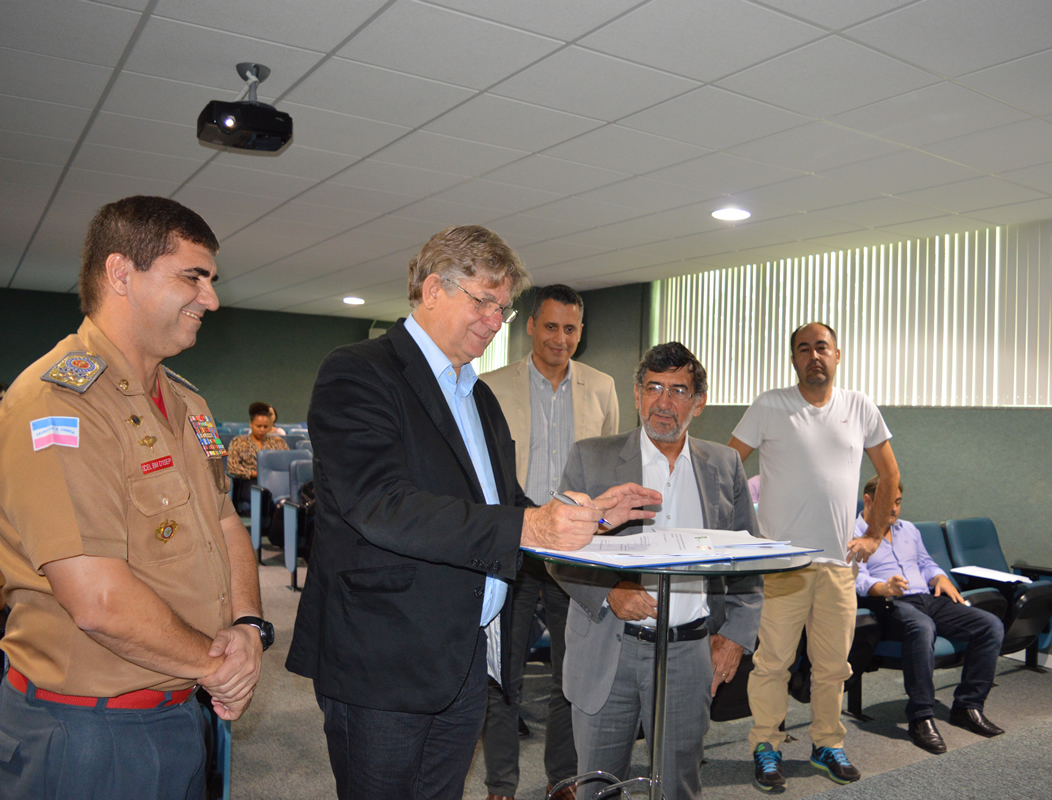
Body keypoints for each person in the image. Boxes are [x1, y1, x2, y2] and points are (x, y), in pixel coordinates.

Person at [284, 225, 660, 800]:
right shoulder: (359, 371)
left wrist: (590, 516)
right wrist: (529, 525)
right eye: (483, 302)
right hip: (386, 657)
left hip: (466, 655)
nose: (494, 321)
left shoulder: (476, 393)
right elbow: (379, 505)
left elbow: (505, 503)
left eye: (503, 309)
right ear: (433, 288)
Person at [0, 195, 269, 799]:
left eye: (211, 279)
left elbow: (224, 522)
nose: (211, 299)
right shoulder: (58, 403)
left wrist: (248, 625)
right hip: (86, 732)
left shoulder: (188, 403)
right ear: (121, 273)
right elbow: (97, 599)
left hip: (176, 710)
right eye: (192, 277)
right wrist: (217, 666)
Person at [552, 342, 763, 800]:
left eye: (678, 390)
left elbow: (748, 558)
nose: (663, 402)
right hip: (609, 648)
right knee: (598, 787)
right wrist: (610, 591)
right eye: (653, 388)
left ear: (698, 403)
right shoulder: (591, 457)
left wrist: (736, 635)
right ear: (636, 394)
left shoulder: (724, 465)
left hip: (688, 654)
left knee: (678, 787)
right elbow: (558, 550)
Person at [729, 321, 900, 792]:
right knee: (772, 664)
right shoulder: (770, 405)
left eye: (821, 347)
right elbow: (726, 465)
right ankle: (766, 745)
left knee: (832, 667)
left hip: (838, 567)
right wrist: (744, 536)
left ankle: (827, 743)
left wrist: (874, 537)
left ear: (837, 355)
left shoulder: (859, 406)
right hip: (782, 566)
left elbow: (889, 475)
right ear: (793, 360)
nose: (813, 356)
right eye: (803, 349)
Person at [480, 284, 619, 800]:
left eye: (571, 329)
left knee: (571, 674)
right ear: (531, 327)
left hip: (573, 555)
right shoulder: (491, 386)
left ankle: (562, 779)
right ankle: (500, 784)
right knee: (502, 674)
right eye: (551, 326)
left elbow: (609, 471)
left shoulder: (602, 387)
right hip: (513, 547)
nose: (560, 338)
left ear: (581, 332)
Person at [855, 475, 1005, 753]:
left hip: (926, 597)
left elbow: (925, 563)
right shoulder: (853, 534)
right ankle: (921, 716)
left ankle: (968, 706)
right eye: (888, 502)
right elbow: (856, 579)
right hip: (888, 604)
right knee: (922, 627)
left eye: (898, 502)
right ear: (868, 501)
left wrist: (940, 577)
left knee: (990, 625)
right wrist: (883, 586)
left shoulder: (908, 529)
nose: (894, 509)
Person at [227, 400, 289, 509]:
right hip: (249, 482)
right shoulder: (238, 441)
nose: (262, 430)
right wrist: (255, 473)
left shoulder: (278, 442)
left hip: (275, 482)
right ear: (251, 424)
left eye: (265, 426)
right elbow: (233, 467)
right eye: (259, 426)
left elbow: (287, 462)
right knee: (265, 495)